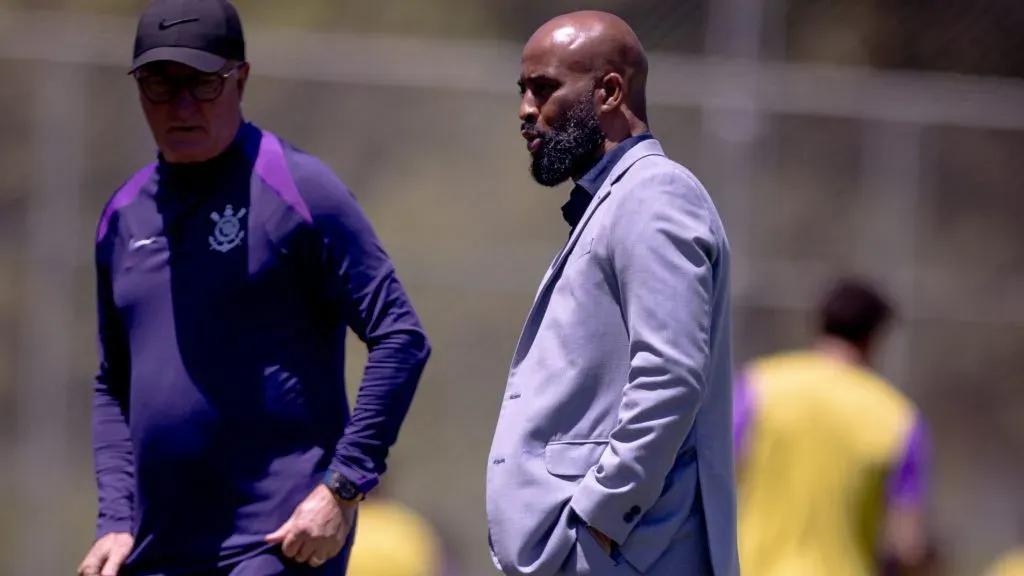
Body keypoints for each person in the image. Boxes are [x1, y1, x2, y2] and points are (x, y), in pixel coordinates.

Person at [77, 1, 430, 575]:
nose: (182, 105)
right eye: (160, 85)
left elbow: (400, 337)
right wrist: (115, 519)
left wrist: (342, 486)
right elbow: (113, 381)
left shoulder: (300, 189)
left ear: (240, 79)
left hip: (278, 541)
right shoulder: (122, 216)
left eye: (202, 84)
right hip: (155, 550)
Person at [486, 11, 737, 576]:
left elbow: (670, 379)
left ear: (609, 91)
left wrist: (597, 523)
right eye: (523, 91)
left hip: (629, 557)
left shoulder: (655, 196)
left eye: (544, 89)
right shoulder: (619, 202)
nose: (526, 110)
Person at [734, 279, 929, 576]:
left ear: (820, 325)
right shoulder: (897, 417)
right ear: (873, 338)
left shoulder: (758, 386)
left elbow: (711, 473)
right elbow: (907, 544)